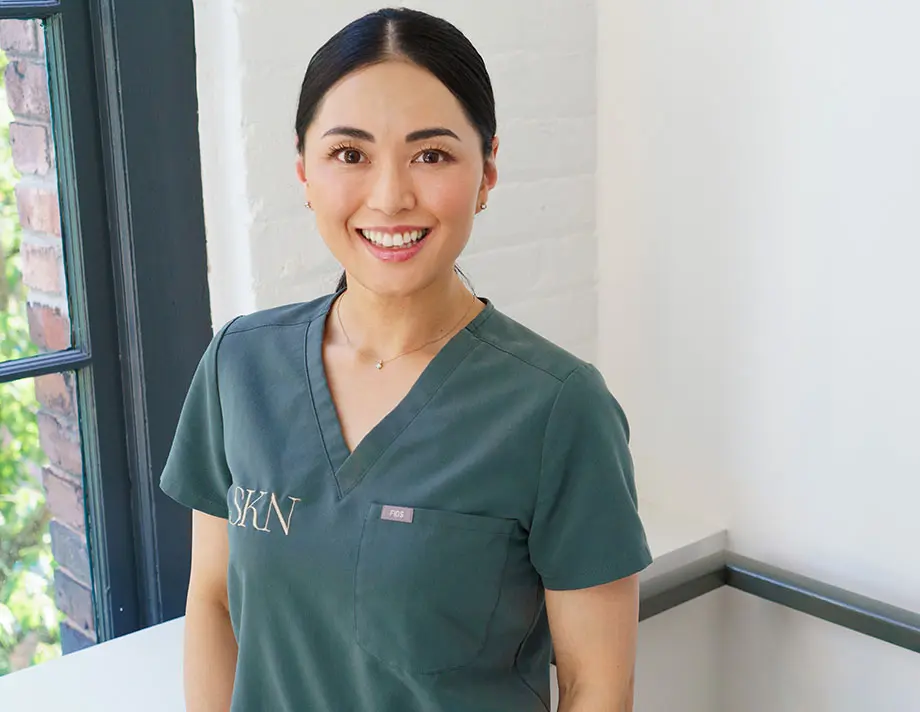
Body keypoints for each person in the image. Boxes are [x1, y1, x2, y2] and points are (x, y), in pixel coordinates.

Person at [160, 7, 652, 711]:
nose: (390, 197)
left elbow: (595, 686)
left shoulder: (558, 408)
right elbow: (213, 603)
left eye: (431, 154)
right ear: (303, 172)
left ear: (486, 173)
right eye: (349, 154)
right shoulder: (239, 367)